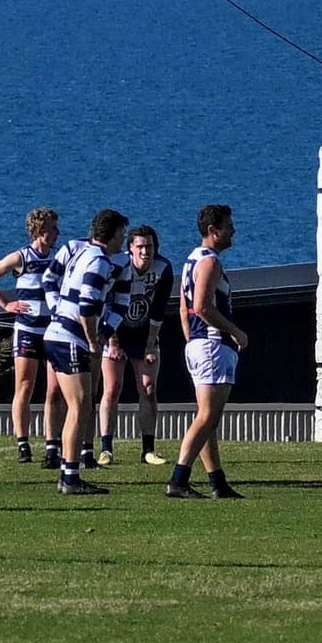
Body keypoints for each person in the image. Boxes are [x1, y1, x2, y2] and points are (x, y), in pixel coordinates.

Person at [42, 209, 127, 495]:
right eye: (122, 234)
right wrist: (93, 341)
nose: (123, 240)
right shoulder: (99, 261)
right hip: (69, 339)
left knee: (79, 406)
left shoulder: (81, 252)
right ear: (113, 234)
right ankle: (70, 477)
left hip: (57, 334)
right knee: (79, 407)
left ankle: (69, 472)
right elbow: (87, 306)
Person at [169, 203, 247, 501]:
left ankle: (218, 481)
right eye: (229, 226)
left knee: (208, 418)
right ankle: (179, 477)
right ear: (213, 231)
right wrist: (234, 331)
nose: (233, 231)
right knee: (207, 416)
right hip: (212, 345)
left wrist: (190, 339)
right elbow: (201, 306)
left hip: (200, 344)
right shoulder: (209, 262)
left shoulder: (192, 260)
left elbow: (183, 306)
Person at [0, 208, 63, 465]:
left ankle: (52, 445)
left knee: (54, 389)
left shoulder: (58, 260)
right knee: (24, 386)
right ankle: (23, 443)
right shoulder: (21, 257)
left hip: (53, 331)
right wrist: (6, 304)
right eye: (53, 229)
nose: (57, 234)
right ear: (41, 232)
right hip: (26, 330)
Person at [101, 221, 173, 467]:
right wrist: (113, 342)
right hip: (116, 331)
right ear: (130, 249)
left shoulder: (163, 268)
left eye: (150, 246)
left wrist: (151, 344)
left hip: (144, 335)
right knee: (112, 387)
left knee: (149, 388)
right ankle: (106, 449)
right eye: (140, 247)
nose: (145, 252)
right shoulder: (118, 267)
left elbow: (159, 309)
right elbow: (108, 303)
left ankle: (148, 450)